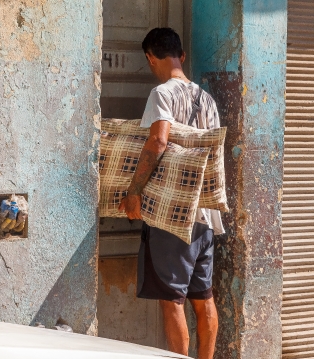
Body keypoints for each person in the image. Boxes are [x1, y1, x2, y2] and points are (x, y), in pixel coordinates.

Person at [118, 27, 225, 359]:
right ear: (182, 55)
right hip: (205, 216)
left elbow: (158, 140)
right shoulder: (206, 99)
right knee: (204, 298)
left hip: (173, 216)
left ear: (151, 58)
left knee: (172, 302)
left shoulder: (161, 94)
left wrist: (134, 191)